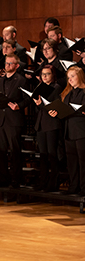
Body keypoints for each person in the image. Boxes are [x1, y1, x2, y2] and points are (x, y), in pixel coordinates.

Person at [0, 54, 31, 188]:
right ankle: (3, 178)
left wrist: (19, 106)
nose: (7, 66)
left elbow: (28, 99)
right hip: (0, 119)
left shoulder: (21, 80)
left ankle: (16, 179)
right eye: (6, 63)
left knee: (15, 151)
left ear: (17, 66)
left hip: (14, 119)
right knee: (0, 151)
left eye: (10, 64)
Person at [49, 66, 85, 195]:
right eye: (68, 77)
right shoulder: (67, 94)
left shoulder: (84, 92)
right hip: (69, 131)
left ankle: (83, 188)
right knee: (72, 161)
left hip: (81, 131)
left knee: (83, 161)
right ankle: (73, 186)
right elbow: (64, 111)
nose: (70, 80)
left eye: (73, 76)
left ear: (80, 76)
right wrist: (56, 112)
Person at [32, 65, 62, 191]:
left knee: (52, 154)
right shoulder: (39, 87)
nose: (44, 76)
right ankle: (43, 181)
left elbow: (55, 105)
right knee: (43, 155)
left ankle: (53, 183)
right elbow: (37, 108)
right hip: (41, 123)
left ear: (53, 75)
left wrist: (42, 104)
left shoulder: (56, 88)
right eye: (43, 74)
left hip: (52, 124)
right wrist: (38, 104)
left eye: (47, 74)